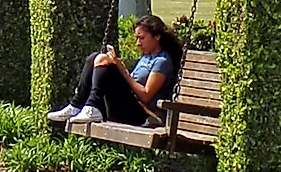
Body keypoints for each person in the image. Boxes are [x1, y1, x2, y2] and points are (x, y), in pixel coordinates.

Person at [46, 14, 180, 128]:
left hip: (139, 114)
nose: (138, 43)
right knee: (95, 57)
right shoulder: (146, 57)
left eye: (142, 38)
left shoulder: (162, 61)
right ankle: (77, 105)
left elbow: (145, 96)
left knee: (103, 59)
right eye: (136, 38)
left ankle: (91, 106)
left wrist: (123, 72)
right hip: (126, 106)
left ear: (157, 37)